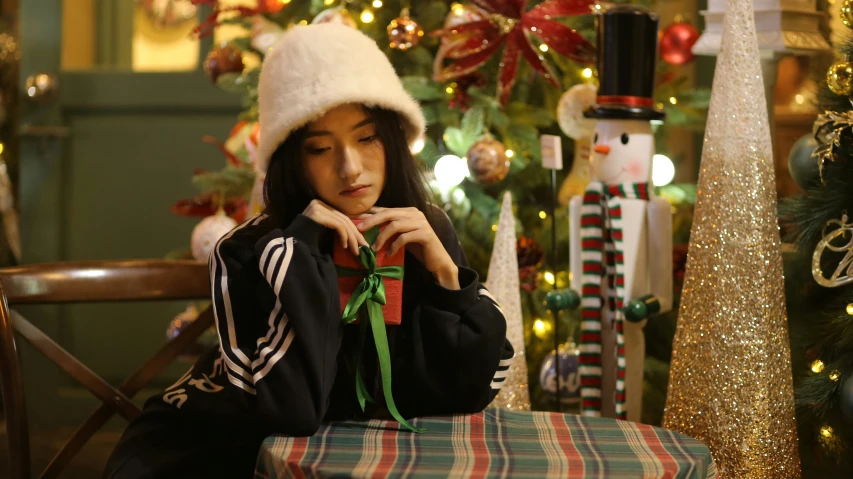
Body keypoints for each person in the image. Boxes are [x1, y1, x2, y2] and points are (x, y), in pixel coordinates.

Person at [104, 23, 513, 479]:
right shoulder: (245, 250)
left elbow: (472, 390)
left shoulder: (422, 229)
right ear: (292, 161)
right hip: (209, 456)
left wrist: (445, 276)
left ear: (393, 138)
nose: (350, 167)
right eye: (320, 148)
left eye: (366, 137)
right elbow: (288, 410)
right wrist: (298, 262)